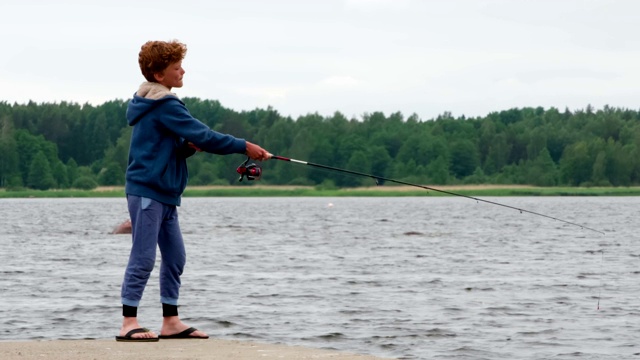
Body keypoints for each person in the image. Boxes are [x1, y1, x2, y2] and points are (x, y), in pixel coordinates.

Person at [116, 39, 271, 342]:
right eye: (177, 68)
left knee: (175, 258)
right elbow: (205, 135)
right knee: (143, 257)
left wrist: (185, 149)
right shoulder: (164, 104)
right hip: (147, 191)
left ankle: (170, 321)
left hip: (165, 192)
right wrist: (244, 146)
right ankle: (128, 322)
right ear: (160, 75)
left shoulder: (156, 103)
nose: (182, 71)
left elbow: (163, 146)